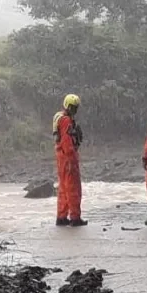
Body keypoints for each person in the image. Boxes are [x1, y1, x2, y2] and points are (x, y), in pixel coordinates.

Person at [53, 94, 87, 226]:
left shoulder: (59, 118)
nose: (75, 111)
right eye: (73, 108)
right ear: (68, 106)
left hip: (61, 157)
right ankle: (75, 217)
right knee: (73, 188)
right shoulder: (66, 121)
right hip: (68, 157)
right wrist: (72, 158)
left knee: (63, 187)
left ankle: (61, 217)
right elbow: (67, 142)